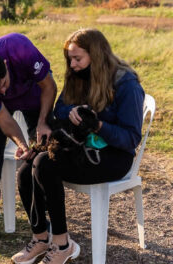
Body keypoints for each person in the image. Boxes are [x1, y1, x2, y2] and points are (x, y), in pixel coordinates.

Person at [11, 28, 145, 264]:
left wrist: (99, 125)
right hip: (84, 147)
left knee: (44, 164)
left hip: (114, 156)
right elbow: (60, 108)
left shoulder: (127, 84)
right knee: (25, 169)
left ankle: (63, 244)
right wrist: (71, 112)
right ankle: (41, 238)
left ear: (97, 55)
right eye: (69, 59)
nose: (72, 65)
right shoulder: (78, 76)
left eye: (77, 58)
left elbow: (131, 139)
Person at [0, 33, 57, 247]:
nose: (4, 92)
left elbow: (49, 86)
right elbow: (4, 119)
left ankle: (42, 216)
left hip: (35, 95)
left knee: (44, 151)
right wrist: (22, 145)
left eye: (4, 83)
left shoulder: (19, 48)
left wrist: (43, 122)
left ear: (6, 64)